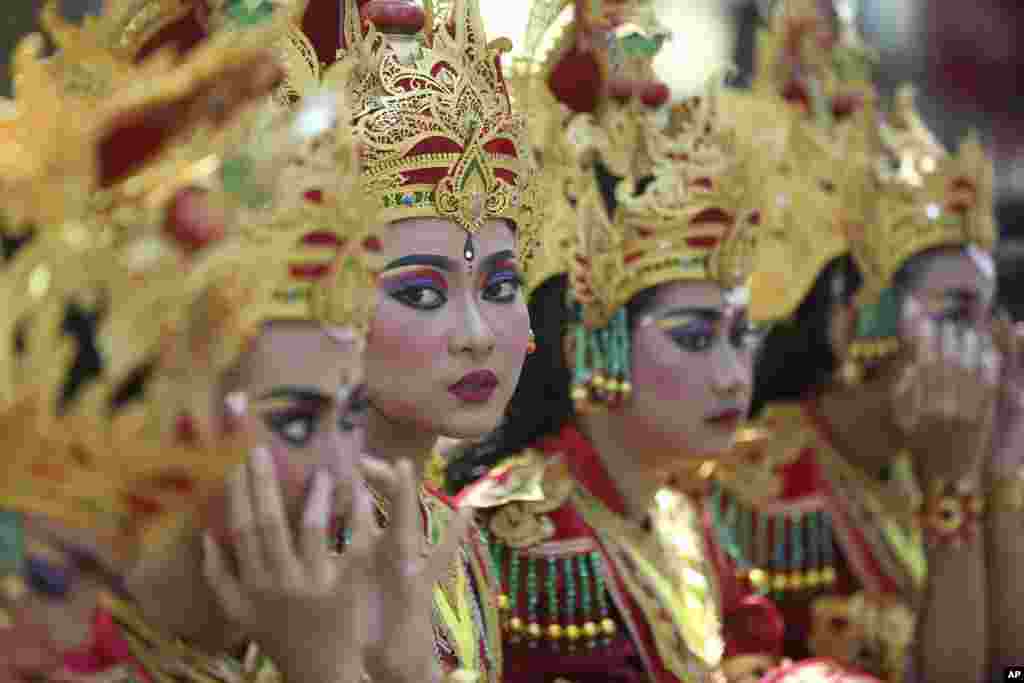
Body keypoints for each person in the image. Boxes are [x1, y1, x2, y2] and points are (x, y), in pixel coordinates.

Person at [442, 1, 769, 678]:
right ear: (593, 336)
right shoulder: (520, 532)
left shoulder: (680, 514)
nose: (735, 374)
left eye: (742, 335)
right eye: (696, 336)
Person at [709, 1, 1024, 679]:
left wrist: (996, 466)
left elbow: (1011, 659)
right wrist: (952, 489)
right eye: (956, 311)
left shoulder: (925, 450)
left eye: (991, 311)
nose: (991, 341)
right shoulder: (764, 487)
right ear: (852, 323)